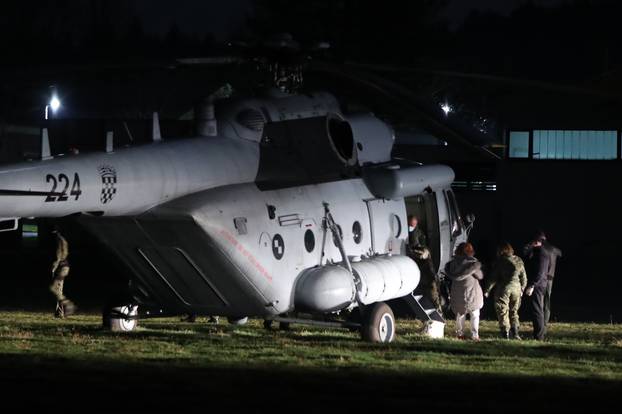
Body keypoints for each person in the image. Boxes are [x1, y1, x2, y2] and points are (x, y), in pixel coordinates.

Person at [485, 242, 527, 340]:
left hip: (503, 289)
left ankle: (506, 333)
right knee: (514, 311)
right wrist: (522, 288)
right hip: (516, 289)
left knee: (502, 310)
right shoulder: (518, 260)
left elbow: (493, 278)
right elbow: (524, 277)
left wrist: (487, 290)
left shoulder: (500, 261)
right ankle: (516, 333)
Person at [445, 242, 484, 340]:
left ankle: (460, 334)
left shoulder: (452, 264)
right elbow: (480, 276)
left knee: (459, 314)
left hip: (458, 294)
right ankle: (475, 335)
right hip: (472, 293)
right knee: (475, 314)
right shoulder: (473, 264)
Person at [523, 233, 551, 340]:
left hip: (538, 286)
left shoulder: (542, 254)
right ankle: (538, 334)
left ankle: (539, 336)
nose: (532, 243)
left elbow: (540, 273)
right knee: (537, 310)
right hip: (539, 284)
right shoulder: (538, 252)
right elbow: (525, 252)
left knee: (538, 310)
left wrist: (532, 285)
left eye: (534, 242)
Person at [49, 228, 76, 318]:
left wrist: (54, 267)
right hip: (64, 267)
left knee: (55, 289)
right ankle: (59, 313)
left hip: (61, 267)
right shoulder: (62, 239)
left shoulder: (58, 240)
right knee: (58, 289)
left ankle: (68, 306)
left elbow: (58, 256)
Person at [412, 245, 442, 313]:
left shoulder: (426, 258)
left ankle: (439, 314)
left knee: (434, 300)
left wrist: (413, 251)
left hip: (430, 282)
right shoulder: (423, 260)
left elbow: (422, 255)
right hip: (425, 282)